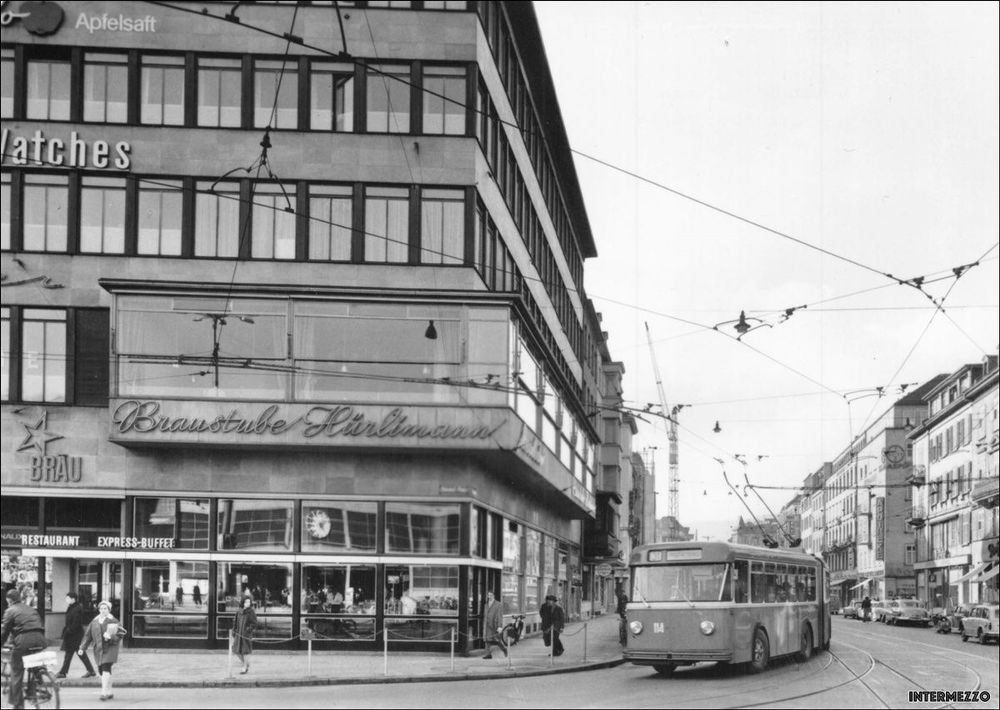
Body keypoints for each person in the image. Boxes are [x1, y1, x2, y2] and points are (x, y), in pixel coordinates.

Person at [1, 588, 48, 710]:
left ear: (9, 600)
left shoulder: (10, 611)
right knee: (33, 665)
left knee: (16, 670)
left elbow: (4, 632)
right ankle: (33, 691)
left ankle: (18, 705)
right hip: (40, 639)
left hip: (24, 641)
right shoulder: (31, 609)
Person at [78, 599, 126, 702]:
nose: (103, 610)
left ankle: (104, 692)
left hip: (110, 648)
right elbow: (88, 636)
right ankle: (110, 691)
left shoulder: (114, 621)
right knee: (102, 670)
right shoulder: (94, 622)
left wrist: (111, 637)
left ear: (109, 610)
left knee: (105, 668)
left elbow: (121, 634)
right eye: (101, 608)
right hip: (98, 649)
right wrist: (82, 647)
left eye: (105, 608)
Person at [56, 592, 97, 680]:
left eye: (68, 598)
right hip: (73, 634)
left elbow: (76, 622)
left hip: (75, 635)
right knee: (76, 653)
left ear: (73, 599)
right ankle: (91, 671)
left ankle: (63, 672)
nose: (66, 600)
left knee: (72, 653)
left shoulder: (77, 608)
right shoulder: (72, 607)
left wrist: (69, 631)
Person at [233, 596, 257, 674]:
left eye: (249, 602)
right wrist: (234, 631)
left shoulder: (251, 612)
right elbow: (235, 622)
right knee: (236, 650)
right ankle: (246, 664)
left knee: (246, 651)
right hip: (238, 634)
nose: (248, 603)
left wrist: (248, 630)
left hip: (246, 635)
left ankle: (244, 667)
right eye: (246, 602)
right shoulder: (238, 611)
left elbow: (254, 623)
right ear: (243, 602)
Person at [482, 591, 507, 659]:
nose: (489, 597)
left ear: (494, 596)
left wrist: (499, 626)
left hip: (494, 625)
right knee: (487, 640)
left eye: (491, 595)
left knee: (497, 640)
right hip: (487, 626)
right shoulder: (486, 605)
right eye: (488, 595)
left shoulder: (498, 604)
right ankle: (488, 654)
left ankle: (504, 649)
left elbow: (499, 616)